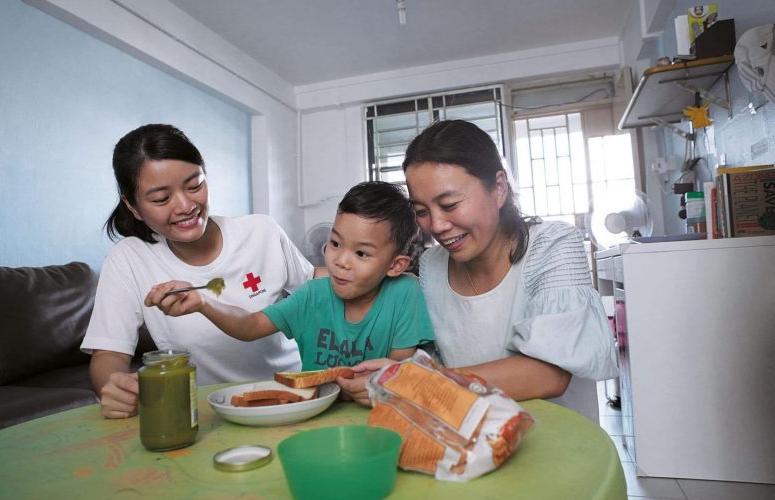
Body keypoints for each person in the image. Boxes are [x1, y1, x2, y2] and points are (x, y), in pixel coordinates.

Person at [337, 120, 618, 422]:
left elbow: (548, 374)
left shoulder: (552, 245)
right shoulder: (433, 265)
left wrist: (410, 381)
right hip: (472, 443)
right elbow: (434, 360)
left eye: (449, 204)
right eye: (421, 211)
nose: (437, 226)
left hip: (556, 445)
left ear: (498, 188)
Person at [81, 123, 321, 419]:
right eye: (161, 199)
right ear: (132, 206)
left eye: (195, 185)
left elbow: (318, 290)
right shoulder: (129, 258)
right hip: (207, 412)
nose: (186, 205)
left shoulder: (261, 231)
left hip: (292, 395)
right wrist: (115, 386)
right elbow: (110, 355)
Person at [146, 181, 435, 371]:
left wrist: (374, 384)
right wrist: (202, 302)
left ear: (395, 266)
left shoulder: (403, 293)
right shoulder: (312, 295)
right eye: (335, 244)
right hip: (316, 411)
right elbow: (250, 325)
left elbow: (399, 369)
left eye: (361, 254)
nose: (340, 262)